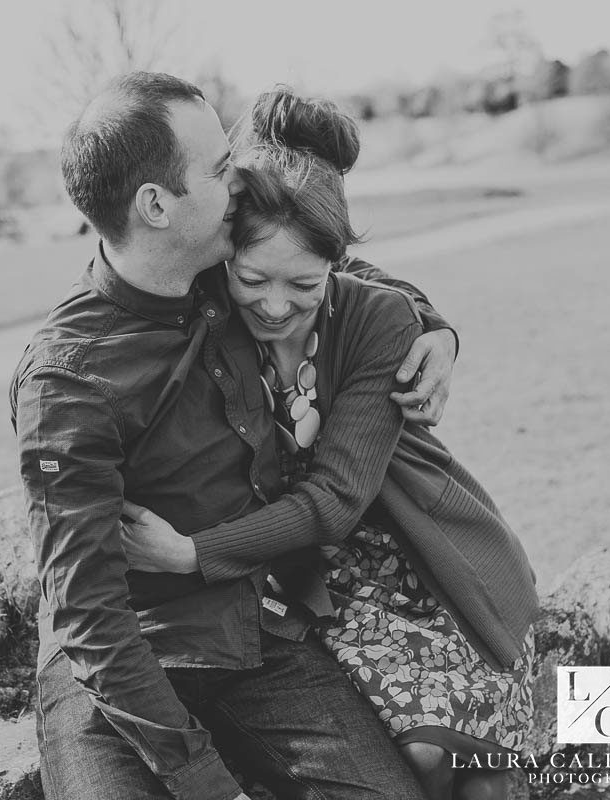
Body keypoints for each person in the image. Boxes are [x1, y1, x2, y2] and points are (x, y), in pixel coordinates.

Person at [10, 72, 460, 800]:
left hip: (256, 634)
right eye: (220, 169)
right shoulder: (68, 383)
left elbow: (323, 259)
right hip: (120, 669)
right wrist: (207, 785)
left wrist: (431, 324)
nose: (241, 178)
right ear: (156, 206)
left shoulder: (224, 268)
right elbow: (88, 617)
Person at [120, 88, 540, 800]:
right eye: (252, 278)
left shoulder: (366, 308)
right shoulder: (206, 305)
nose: (276, 304)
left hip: (417, 545)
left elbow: (358, 298)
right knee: (432, 756)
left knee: (510, 756)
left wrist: (432, 324)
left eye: (304, 284)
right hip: (312, 576)